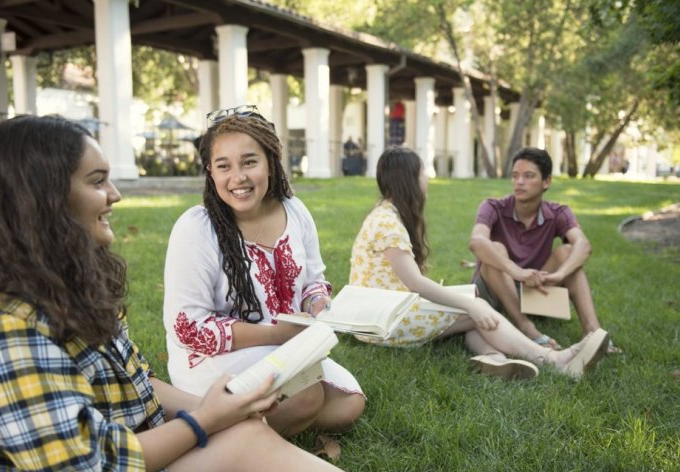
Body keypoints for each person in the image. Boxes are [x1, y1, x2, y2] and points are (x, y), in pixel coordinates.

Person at [0, 116, 508, 472]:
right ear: (42, 199)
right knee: (251, 443)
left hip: (146, 445)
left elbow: (139, 386)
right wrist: (206, 420)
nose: (116, 195)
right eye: (98, 182)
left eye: (249, 162)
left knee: (279, 431)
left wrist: (230, 409)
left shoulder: (61, 285)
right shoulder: (4, 330)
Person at [164, 106, 365, 437]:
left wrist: (319, 306)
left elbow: (314, 281)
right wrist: (275, 334)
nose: (237, 178)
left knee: (349, 403)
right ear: (210, 172)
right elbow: (189, 329)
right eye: (223, 166)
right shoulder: (196, 228)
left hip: (287, 347)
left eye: (249, 162)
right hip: (217, 356)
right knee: (306, 398)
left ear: (270, 163)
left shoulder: (295, 211)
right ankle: (222, 429)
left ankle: (240, 420)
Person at [349, 146, 609, 379]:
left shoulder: (384, 215)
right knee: (475, 308)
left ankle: (492, 357)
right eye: (423, 173)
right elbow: (416, 283)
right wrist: (471, 306)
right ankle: (554, 359)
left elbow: (582, 245)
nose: (426, 179)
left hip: (381, 315)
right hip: (385, 322)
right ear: (409, 180)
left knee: (472, 309)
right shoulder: (388, 224)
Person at [469, 147, 619, 353]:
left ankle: (593, 331)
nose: (519, 182)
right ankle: (526, 327)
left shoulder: (558, 212)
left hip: (534, 291)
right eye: (515, 176)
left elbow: (583, 245)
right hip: (493, 292)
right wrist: (516, 271)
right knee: (494, 248)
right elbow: (477, 241)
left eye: (528, 176)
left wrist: (559, 275)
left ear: (546, 182)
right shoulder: (492, 206)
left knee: (568, 252)